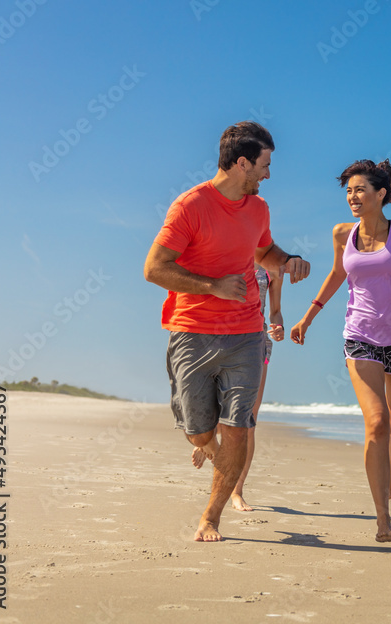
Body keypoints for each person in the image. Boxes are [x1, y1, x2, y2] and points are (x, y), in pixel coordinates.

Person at [144, 121, 310, 542]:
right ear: (242, 163)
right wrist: (213, 286)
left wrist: (288, 259)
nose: (268, 174)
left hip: (246, 333)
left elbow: (264, 249)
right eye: (265, 165)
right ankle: (212, 452)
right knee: (200, 432)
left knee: (239, 426)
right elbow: (154, 269)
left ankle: (211, 516)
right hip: (193, 332)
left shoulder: (259, 209)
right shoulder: (190, 206)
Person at [291, 159, 391, 543]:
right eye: (349, 191)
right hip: (360, 337)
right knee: (377, 422)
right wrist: (308, 317)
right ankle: (383, 517)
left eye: (360, 190)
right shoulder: (342, 233)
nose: (353, 197)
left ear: (381, 194)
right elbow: (338, 273)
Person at [192, 263, 284, 513]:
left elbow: (275, 312)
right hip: (220, 338)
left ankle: (236, 490)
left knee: (247, 421)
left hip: (257, 344)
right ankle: (206, 437)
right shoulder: (226, 253)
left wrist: (278, 328)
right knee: (217, 414)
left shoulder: (273, 268)